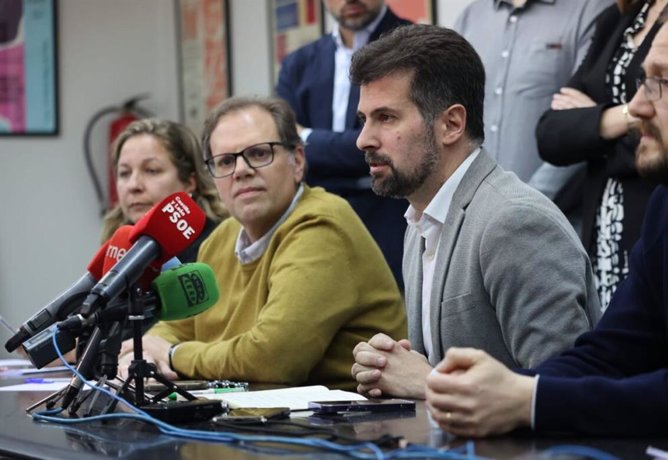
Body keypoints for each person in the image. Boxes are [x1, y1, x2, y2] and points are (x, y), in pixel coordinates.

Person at [426, 0, 668, 436]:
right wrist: (495, 388)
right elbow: (611, 354)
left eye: (663, 82)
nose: (637, 107)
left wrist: (529, 401)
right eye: (643, 80)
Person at [349, 25, 600, 400]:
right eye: (364, 119)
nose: (363, 139)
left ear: (452, 124)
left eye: (386, 118)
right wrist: (389, 370)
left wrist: (426, 382)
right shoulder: (417, 222)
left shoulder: (513, 222)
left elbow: (563, 394)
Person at [117, 96, 406, 390]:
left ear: (298, 162)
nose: (241, 170)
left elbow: (273, 358)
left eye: (258, 154)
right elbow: (180, 325)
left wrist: (172, 355)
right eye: (226, 161)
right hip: (258, 419)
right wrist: (147, 346)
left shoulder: (321, 223)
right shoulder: (222, 237)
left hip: (350, 426)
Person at [536, 0, 668, 310]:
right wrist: (627, 123)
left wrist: (593, 123)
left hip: (657, 229)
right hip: (598, 238)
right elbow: (550, 135)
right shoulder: (618, 18)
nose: (639, 105)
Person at [276, 0, 411, 287]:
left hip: (394, 220)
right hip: (315, 223)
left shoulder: (415, 48)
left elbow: (395, 145)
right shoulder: (298, 63)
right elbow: (284, 147)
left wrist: (309, 137)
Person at [454, 0, 610, 232]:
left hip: (556, 227)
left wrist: (521, 206)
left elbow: (581, 126)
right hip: (472, 224)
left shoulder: (592, 10)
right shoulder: (470, 17)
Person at [102, 118, 228, 262]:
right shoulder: (116, 249)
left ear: (189, 182)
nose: (133, 185)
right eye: (124, 173)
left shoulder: (220, 243)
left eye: (151, 170)